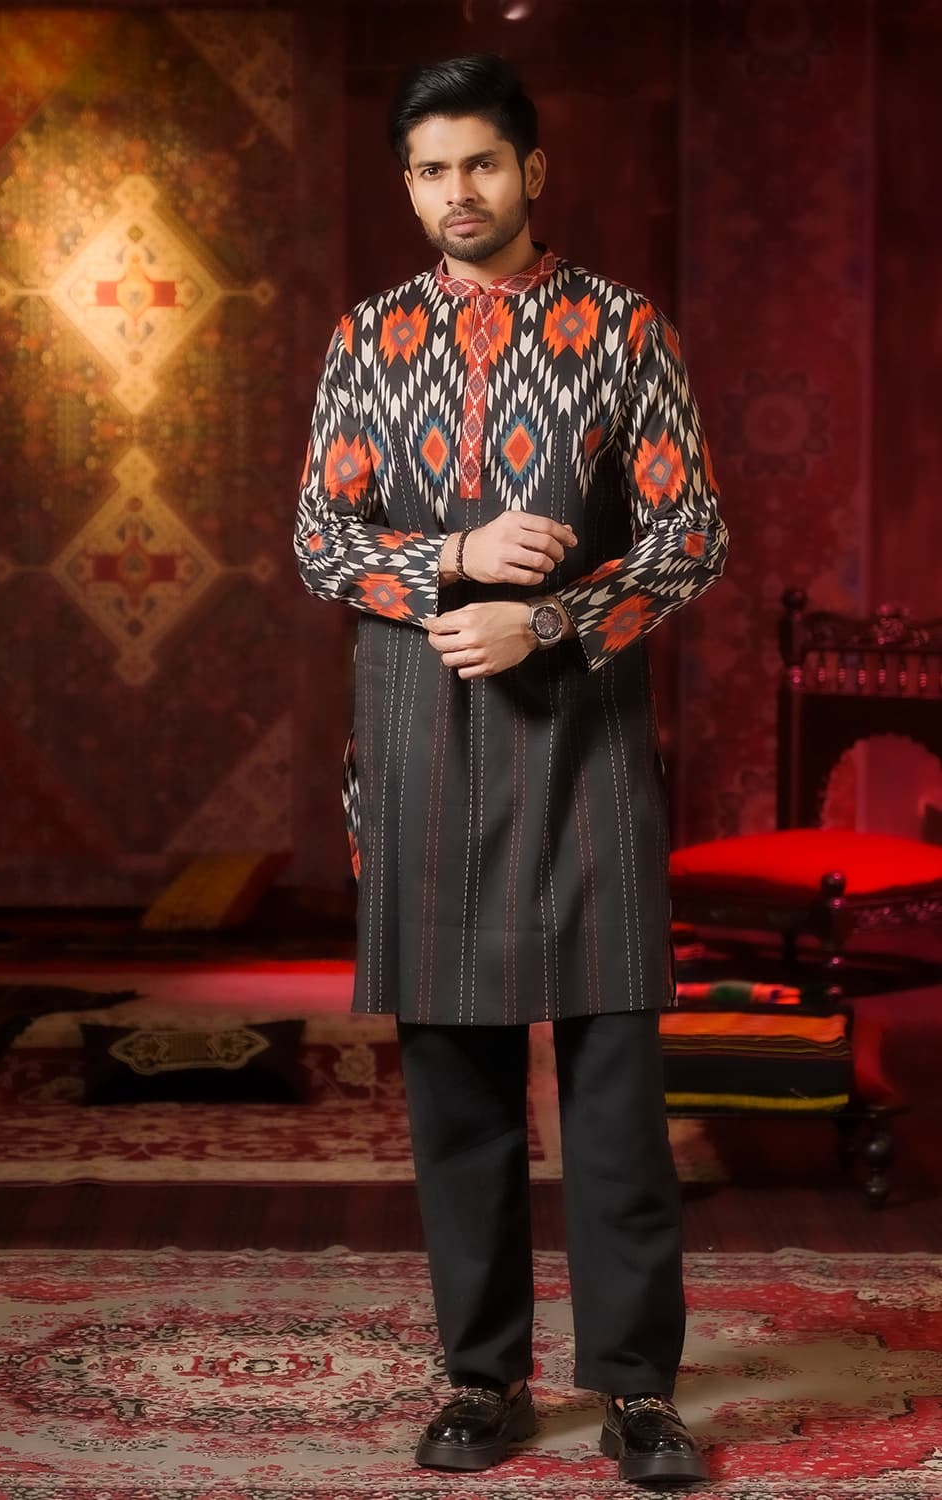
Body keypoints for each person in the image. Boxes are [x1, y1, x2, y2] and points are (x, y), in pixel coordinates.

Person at [294, 52, 727, 1488]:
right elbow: (319, 542)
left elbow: (692, 540)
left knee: (613, 1086)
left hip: (585, 736)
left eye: (480, 163)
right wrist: (456, 558)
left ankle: (638, 1391)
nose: (456, 192)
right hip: (419, 733)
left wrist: (544, 621)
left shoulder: (623, 328)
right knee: (456, 1089)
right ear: (409, 185)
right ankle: (481, 1378)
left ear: (533, 170)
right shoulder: (367, 340)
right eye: (430, 171)